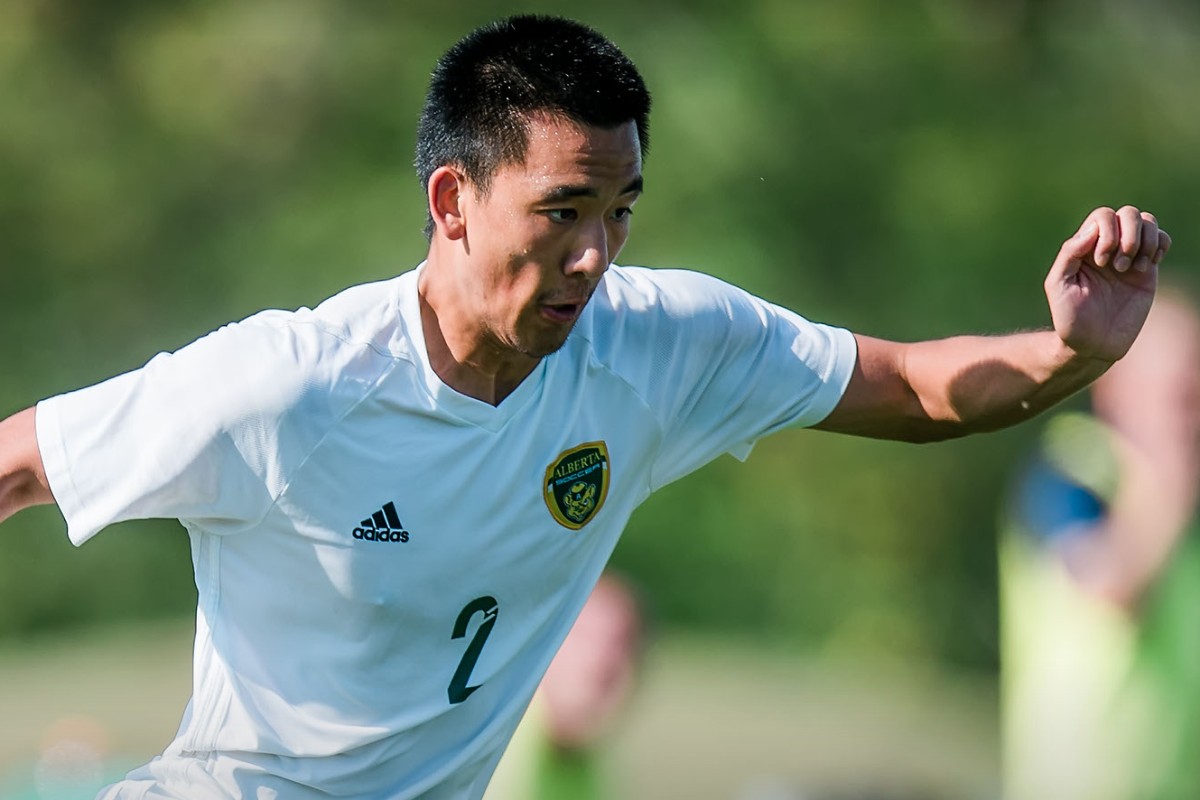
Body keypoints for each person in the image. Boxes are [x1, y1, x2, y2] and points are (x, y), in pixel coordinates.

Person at [0, 13, 1171, 800]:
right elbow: (16, 463)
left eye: (621, 212)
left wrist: (1072, 351)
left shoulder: (661, 345)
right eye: (563, 211)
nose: (597, 254)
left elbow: (915, 387)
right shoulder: (286, 383)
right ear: (453, 199)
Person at [1001, 288, 1200, 800]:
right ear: (1117, 389)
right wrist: (1172, 488)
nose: (1192, 420)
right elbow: (1111, 586)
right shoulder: (1073, 471)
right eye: (1180, 396)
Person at [483, 573, 646, 800]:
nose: (603, 661)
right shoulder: (490, 751)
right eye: (583, 636)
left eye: (621, 644)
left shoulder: (583, 766)